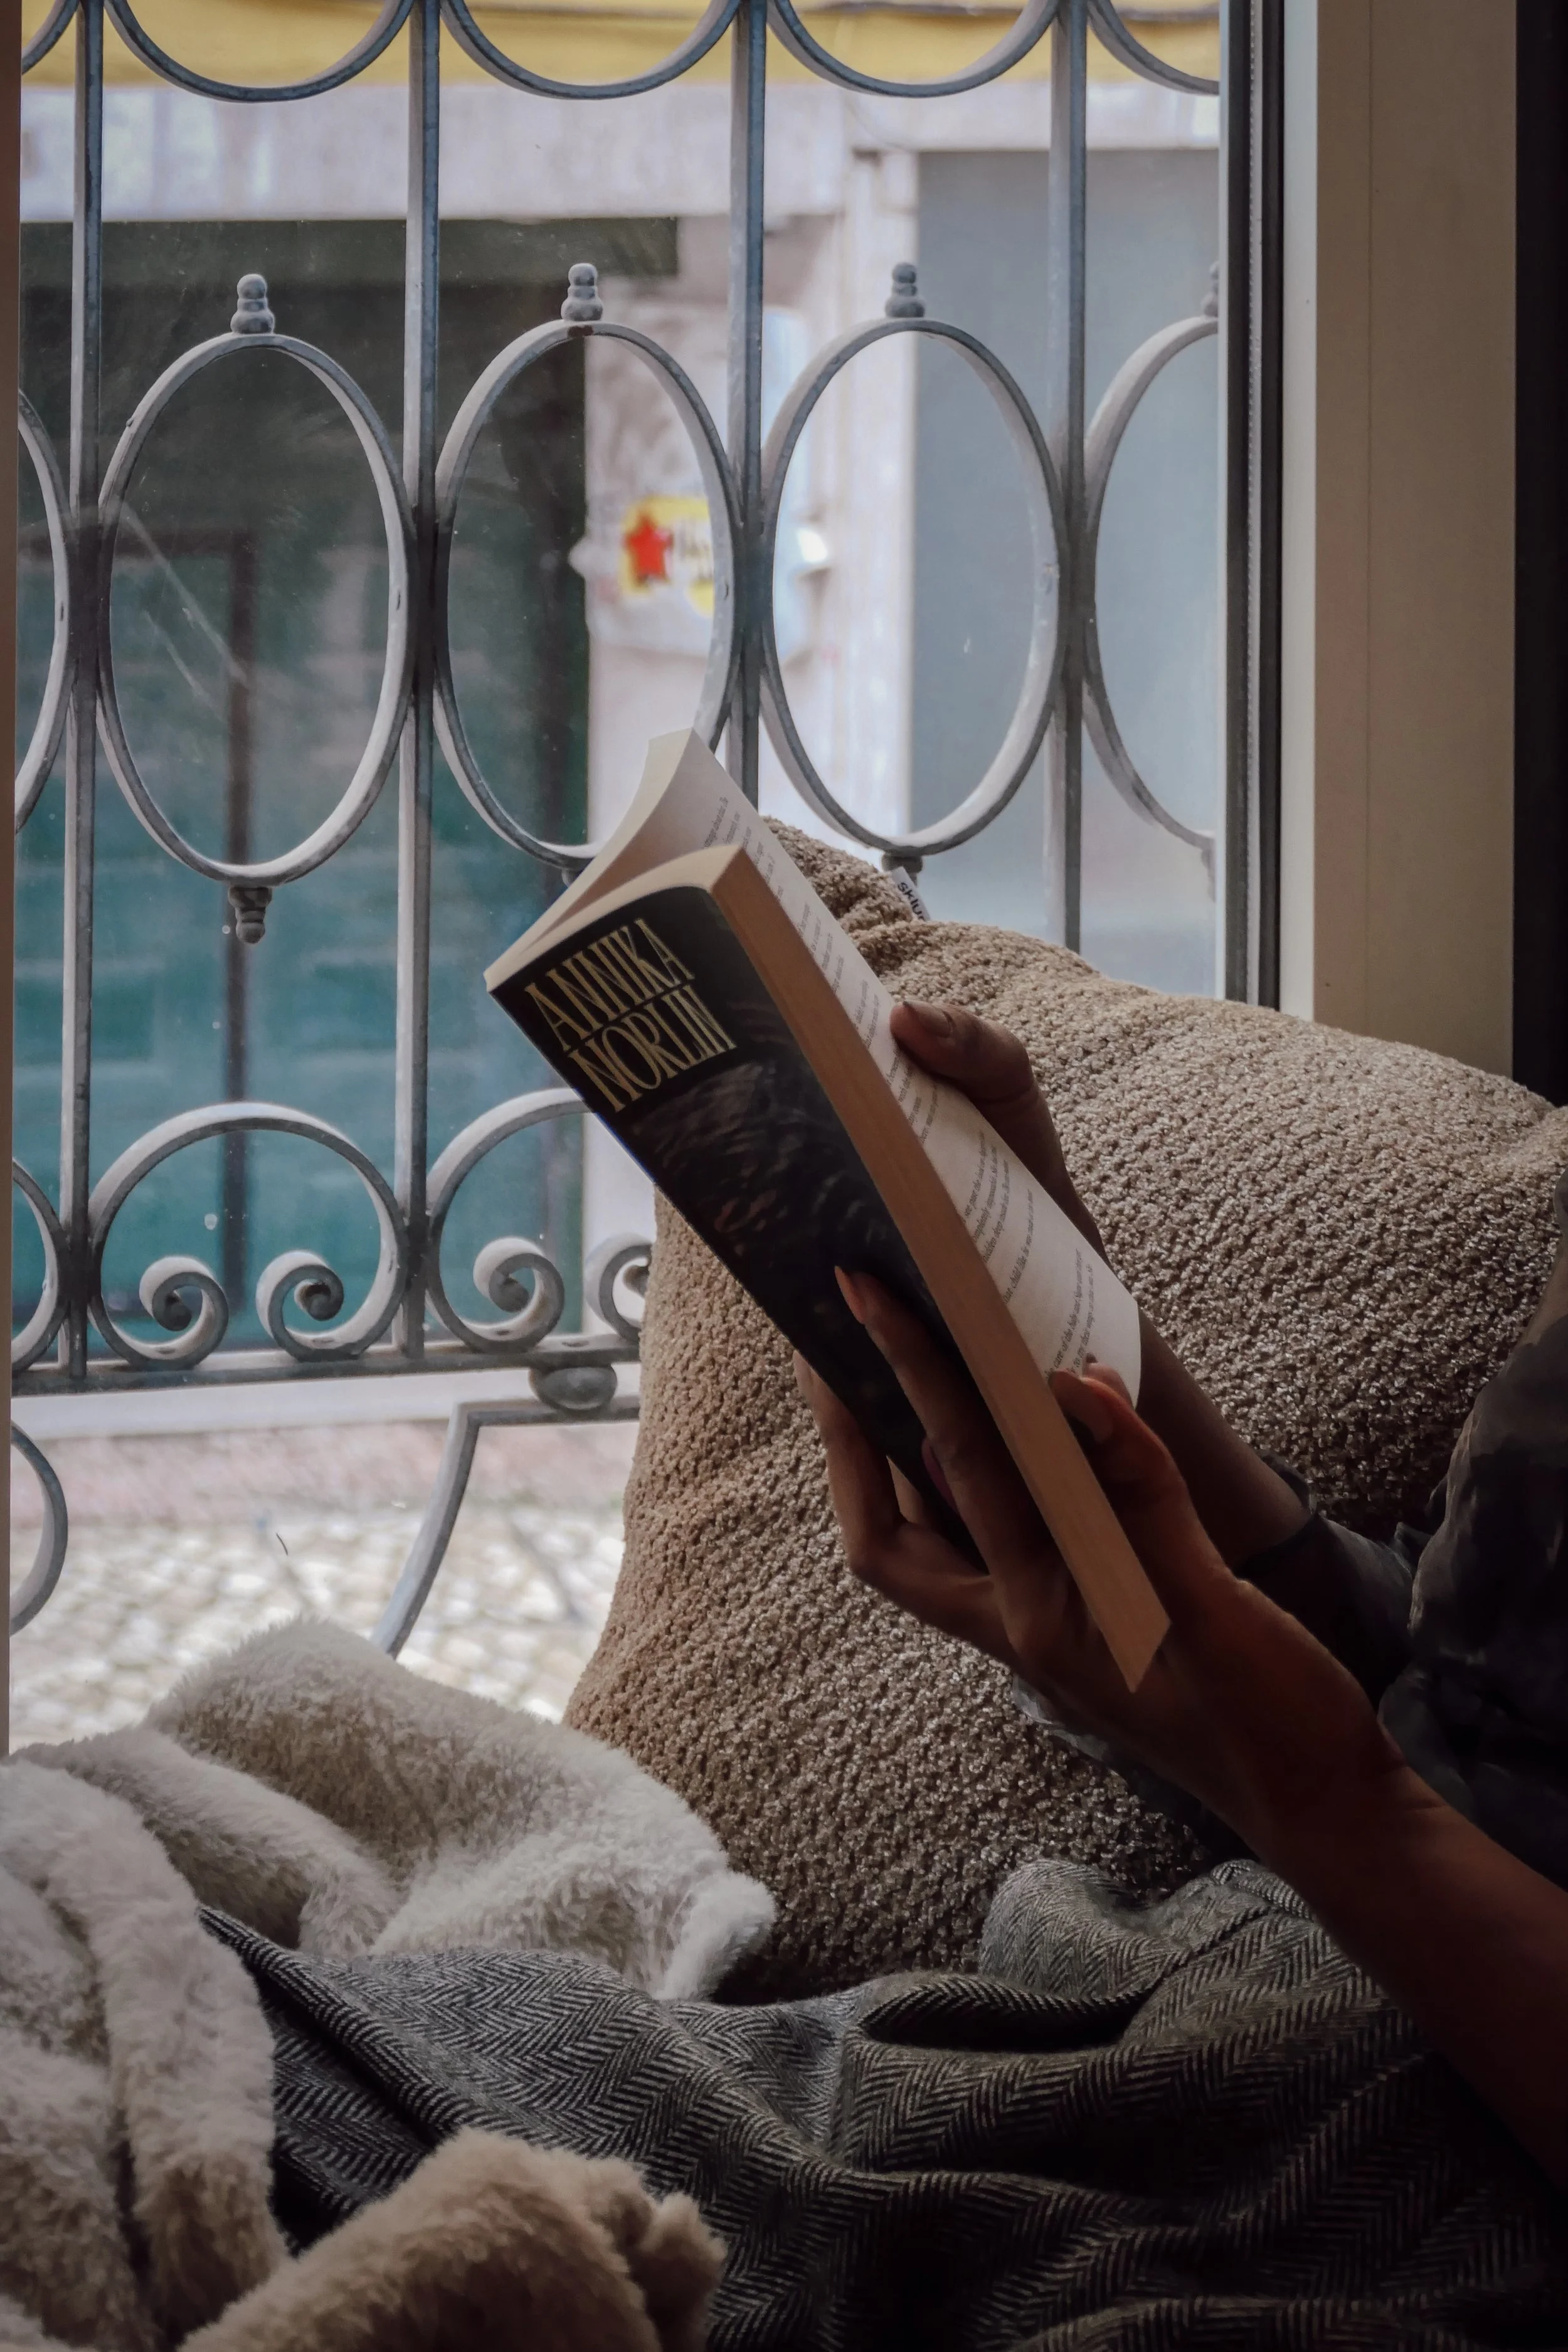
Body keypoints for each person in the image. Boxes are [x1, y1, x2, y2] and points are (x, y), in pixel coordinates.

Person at [795, 996, 1568, 2193]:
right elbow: (1473, 1670)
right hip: (1227, 1991)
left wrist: (1335, 1809)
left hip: (1399, 2146)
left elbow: (1390, 1798)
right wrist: (1064, 1304)